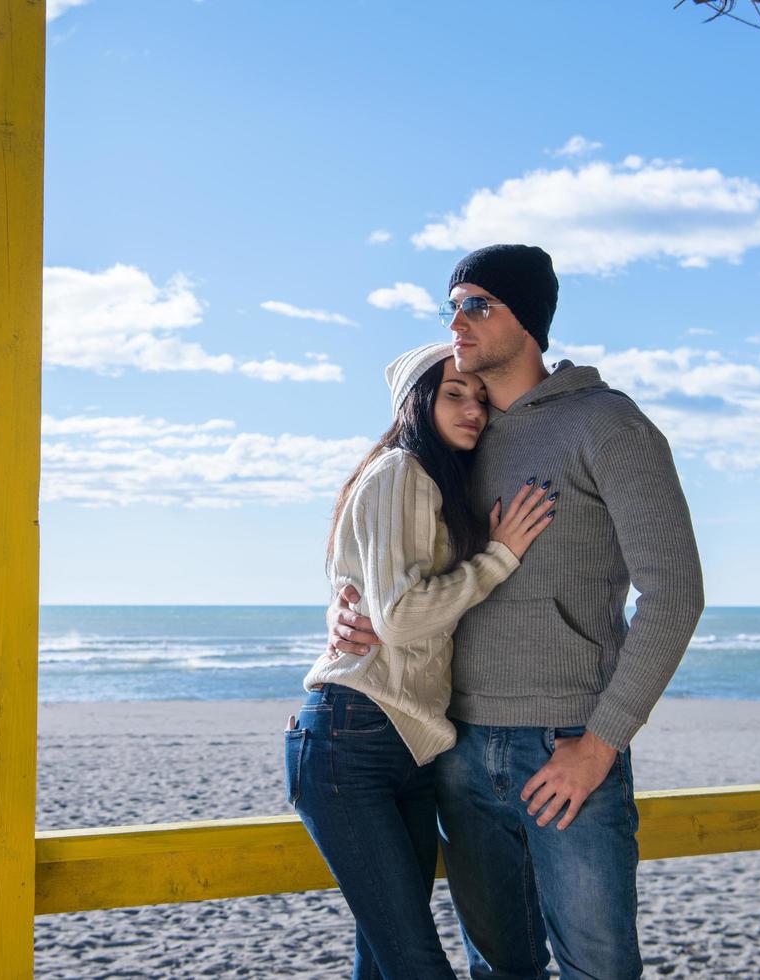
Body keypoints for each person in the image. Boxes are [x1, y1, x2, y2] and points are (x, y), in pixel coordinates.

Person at [326, 245, 705, 980]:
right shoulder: (457, 438)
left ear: (526, 321)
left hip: (568, 748)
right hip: (457, 746)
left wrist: (599, 745)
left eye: (477, 304)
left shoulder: (607, 424)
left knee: (599, 969)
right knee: (500, 971)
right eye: (452, 305)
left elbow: (675, 593)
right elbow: (385, 543)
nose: (456, 322)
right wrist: (345, 612)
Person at [285, 342, 556, 980]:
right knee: (415, 963)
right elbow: (400, 617)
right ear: (417, 403)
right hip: (352, 742)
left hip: (405, 745)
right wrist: (500, 555)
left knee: (381, 963)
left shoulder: (431, 481)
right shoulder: (401, 471)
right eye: (454, 394)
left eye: (481, 398)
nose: (473, 410)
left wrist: (341, 607)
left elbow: (374, 596)